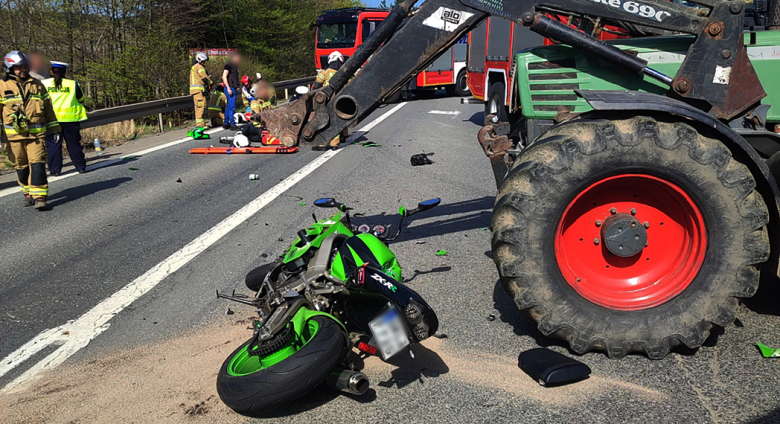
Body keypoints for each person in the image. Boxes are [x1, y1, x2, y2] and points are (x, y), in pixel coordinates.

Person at [1, 51, 62, 210]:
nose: (22, 70)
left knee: (38, 164)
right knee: (21, 166)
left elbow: (48, 109)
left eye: (24, 67)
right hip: (14, 137)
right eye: (18, 68)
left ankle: (40, 196)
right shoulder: (2, 86)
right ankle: (27, 193)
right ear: (9, 68)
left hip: (37, 136)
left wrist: (55, 128)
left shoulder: (37, 84)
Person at [42, 61, 88, 175]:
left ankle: (55, 170)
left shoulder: (43, 84)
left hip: (51, 120)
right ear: (65, 72)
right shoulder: (72, 84)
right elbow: (81, 99)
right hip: (70, 120)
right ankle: (80, 167)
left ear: (51, 71)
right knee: (73, 144)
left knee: (53, 145)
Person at [313, 51, 348, 151]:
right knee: (339, 118)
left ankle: (323, 144)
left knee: (324, 120)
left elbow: (317, 85)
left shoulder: (325, 72)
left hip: (327, 100)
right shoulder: (344, 72)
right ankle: (339, 139)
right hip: (341, 98)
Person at [189, 52, 212, 130]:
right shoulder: (199, 67)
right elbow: (204, 77)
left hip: (196, 91)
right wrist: (211, 83)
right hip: (199, 91)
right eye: (204, 61)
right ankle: (201, 125)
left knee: (198, 107)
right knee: (201, 107)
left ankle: (200, 123)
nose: (205, 62)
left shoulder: (194, 67)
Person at [221, 51, 241, 131]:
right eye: (238, 58)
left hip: (233, 87)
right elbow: (224, 76)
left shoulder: (233, 65)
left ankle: (226, 123)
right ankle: (232, 124)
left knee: (229, 106)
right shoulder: (228, 65)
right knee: (232, 106)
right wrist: (228, 88)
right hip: (230, 88)